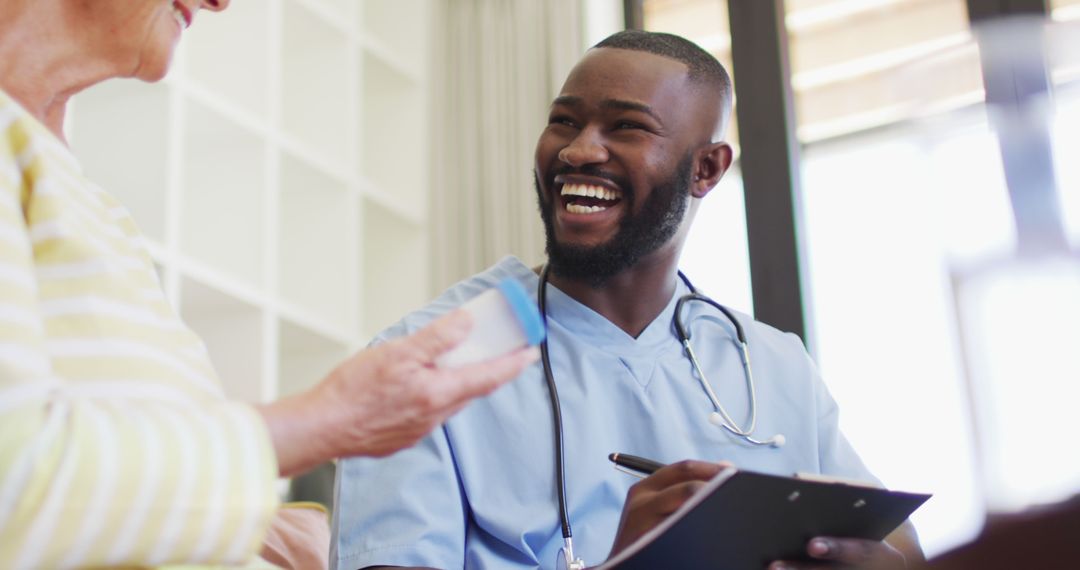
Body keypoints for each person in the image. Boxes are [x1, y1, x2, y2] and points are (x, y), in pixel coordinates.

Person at [332, 30, 924, 570]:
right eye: (564, 121)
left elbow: (897, 543)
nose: (578, 151)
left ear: (707, 169)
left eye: (626, 127)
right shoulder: (428, 359)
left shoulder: (773, 364)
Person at [0, 1, 537, 568]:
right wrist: (327, 419)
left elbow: (77, 484)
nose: (221, 2)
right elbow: (14, 483)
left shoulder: (84, 198)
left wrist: (253, 527)